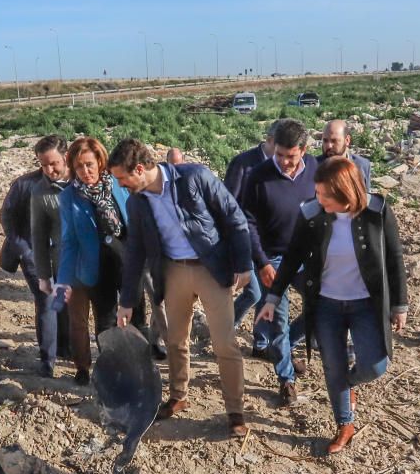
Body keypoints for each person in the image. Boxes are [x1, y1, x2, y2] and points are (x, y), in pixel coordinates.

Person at [258, 157, 407, 453]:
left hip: (366, 304)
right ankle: (344, 424)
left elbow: (394, 259)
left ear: (345, 192)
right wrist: (273, 297)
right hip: (326, 305)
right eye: (318, 193)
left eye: (325, 195)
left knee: (376, 365)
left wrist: (399, 305)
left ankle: (346, 384)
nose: (318, 199)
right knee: (333, 366)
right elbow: (292, 258)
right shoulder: (313, 214)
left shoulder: (377, 212)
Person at [109, 138, 252, 438]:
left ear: (138, 169)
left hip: (211, 267)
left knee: (224, 343)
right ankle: (178, 396)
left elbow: (234, 217)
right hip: (173, 270)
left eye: (122, 178)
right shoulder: (137, 202)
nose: (120, 185)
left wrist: (243, 264)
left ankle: (235, 411)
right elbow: (135, 251)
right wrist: (126, 300)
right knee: (175, 339)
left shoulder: (194, 178)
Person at [55, 137, 146, 386]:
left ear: (100, 161)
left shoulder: (119, 184)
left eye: (89, 165)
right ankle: (113, 374)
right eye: (79, 167)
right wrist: (63, 281)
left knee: (137, 319)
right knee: (105, 324)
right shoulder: (69, 198)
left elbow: (136, 220)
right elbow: (69, 242)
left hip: (127, 263)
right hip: (96, 267)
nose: (85, 172)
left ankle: (142, 371)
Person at [241, 119, 317, 406]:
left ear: (304, 150)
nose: (284, 162)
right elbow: (247, 221)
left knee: (320, 305)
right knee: (279, 319)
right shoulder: (257, 176)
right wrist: (261, 262)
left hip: (307, 257)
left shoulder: (315, 170)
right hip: (272, 259)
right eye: (280, 155)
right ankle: (286, 379)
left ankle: (287, 345)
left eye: (291, 156)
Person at [1, 135, 71, 378]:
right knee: (47, 303)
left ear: (67, 157)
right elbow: (7, 216)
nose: (48, 170)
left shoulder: (78, 183)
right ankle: (47, 361)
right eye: (43, 165)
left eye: (53, 164)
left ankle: (64, 348)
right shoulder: (25, 185)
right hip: (34, 255)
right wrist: (23, 249)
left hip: (67, 256)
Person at [224, 121, 279, 330]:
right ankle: (226, 327)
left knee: (264, 292)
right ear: (270, 140)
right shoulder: (243, 163)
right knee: (254, 292)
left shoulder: (278, 166)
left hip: (266, 242)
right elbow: (227, 203)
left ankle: (259, 341)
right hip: (243, 239)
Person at [321, 119, 371, 190]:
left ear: (347, 140)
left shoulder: (362, 165)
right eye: (325, 141)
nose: (329, 146)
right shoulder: (312, 166)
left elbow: (366, 197)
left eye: (334, 141)